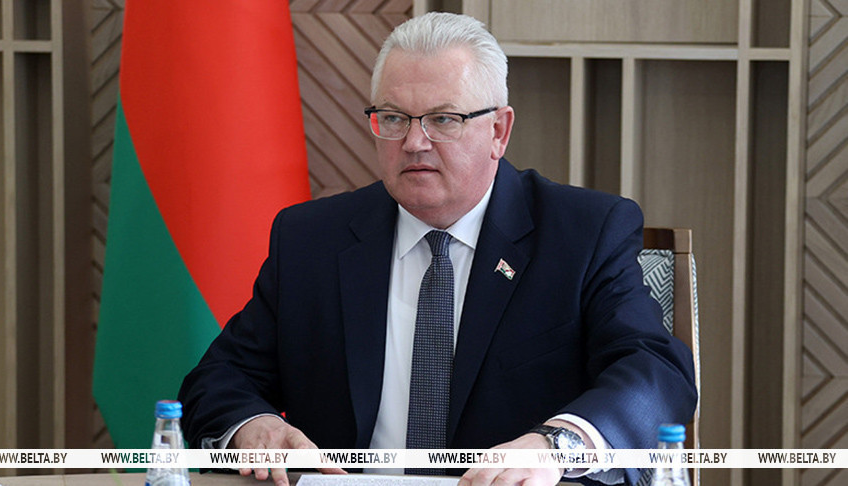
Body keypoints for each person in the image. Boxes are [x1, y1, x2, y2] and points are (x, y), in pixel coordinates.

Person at [178, 12, 696, 486]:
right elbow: (218, 379)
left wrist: (555, 446)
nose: (414, 142)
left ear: (498, 131)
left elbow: (656, 372)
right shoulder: (311, 239)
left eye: (444, 119)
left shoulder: (582, 233)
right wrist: (254, 425)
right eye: (394, 118)